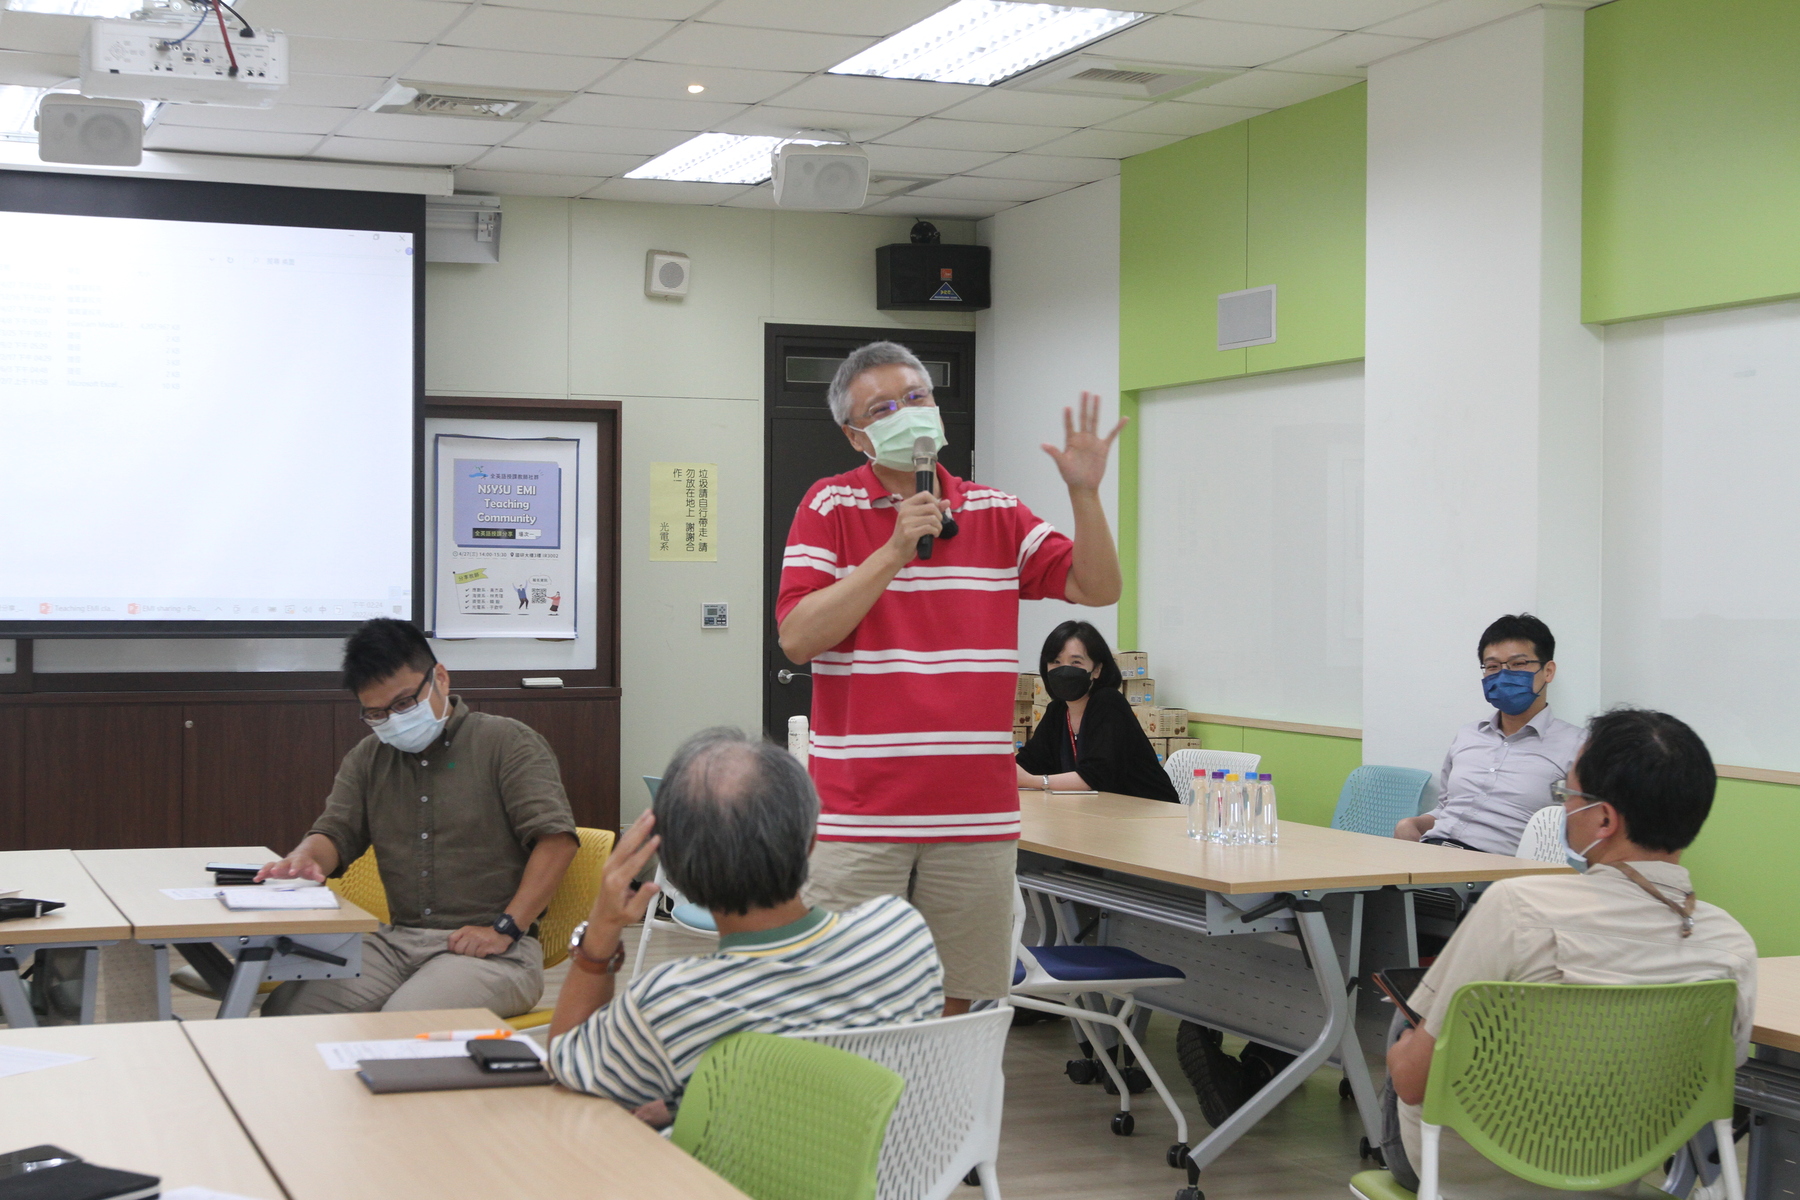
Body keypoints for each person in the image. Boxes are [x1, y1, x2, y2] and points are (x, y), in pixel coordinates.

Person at [777, 340, 1124, 1015]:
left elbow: (1097, 586)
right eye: (883, 408)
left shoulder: (997, 511)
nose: (908, 414)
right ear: (856, 434)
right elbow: (798, 637)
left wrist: (1085, 495)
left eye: (917, 398)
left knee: (959, 1002)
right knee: (844, 1001)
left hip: (975, 815)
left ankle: (942, 1121)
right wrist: (893, 551)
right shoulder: (828, 507)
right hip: (860, 816)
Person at [1379, 707, 1758, 1191]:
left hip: (1472, 1169)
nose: (1563, 808)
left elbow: (1412, 1083)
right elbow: (1716, 1078)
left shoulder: (1518, 908)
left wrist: (1403, 1049)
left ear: (1603, 818)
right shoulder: (1730, 945)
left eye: (1567, 795)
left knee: (1409, 1023)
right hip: (1618, 1171)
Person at [548, 727, 943, 1126]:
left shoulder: (673, 1001)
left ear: (678, 871)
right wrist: (684, 1104)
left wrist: (600, 928)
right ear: (810, 841)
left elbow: (568, 1064)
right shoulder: (901, 931)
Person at [258, 618, 579, 1017]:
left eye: (404, 703)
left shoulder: (508, 744)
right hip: (395, 942)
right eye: (376, 714)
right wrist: (305, 858)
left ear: (440, 678)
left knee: (402, 1023)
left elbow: (557, 842)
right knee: (286, 1014)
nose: (393, 720)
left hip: (496, 950)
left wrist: (506, 929)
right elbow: (335, 832)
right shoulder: (368, 758)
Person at [1395, 613, 1584, 853]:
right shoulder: (1468, 735)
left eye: (1518, 664)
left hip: (1497, 873)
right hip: (1433, 854)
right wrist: (1413, 824)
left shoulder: (1578, 747)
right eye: (1493, 667)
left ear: (1548, 671)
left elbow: (1585, 830)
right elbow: (1445, 809)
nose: (1504, 675)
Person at [1016, 620, 1178, 802]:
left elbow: (1093, 777)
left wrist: (1034, 781)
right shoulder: (1057, 711)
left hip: (1149, 814)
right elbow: (1029, 763)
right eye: (1055, 662)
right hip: (1097, 812)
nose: (1064, 670)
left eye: (1075, 662)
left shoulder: (1108, 703)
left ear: (1097, 670)